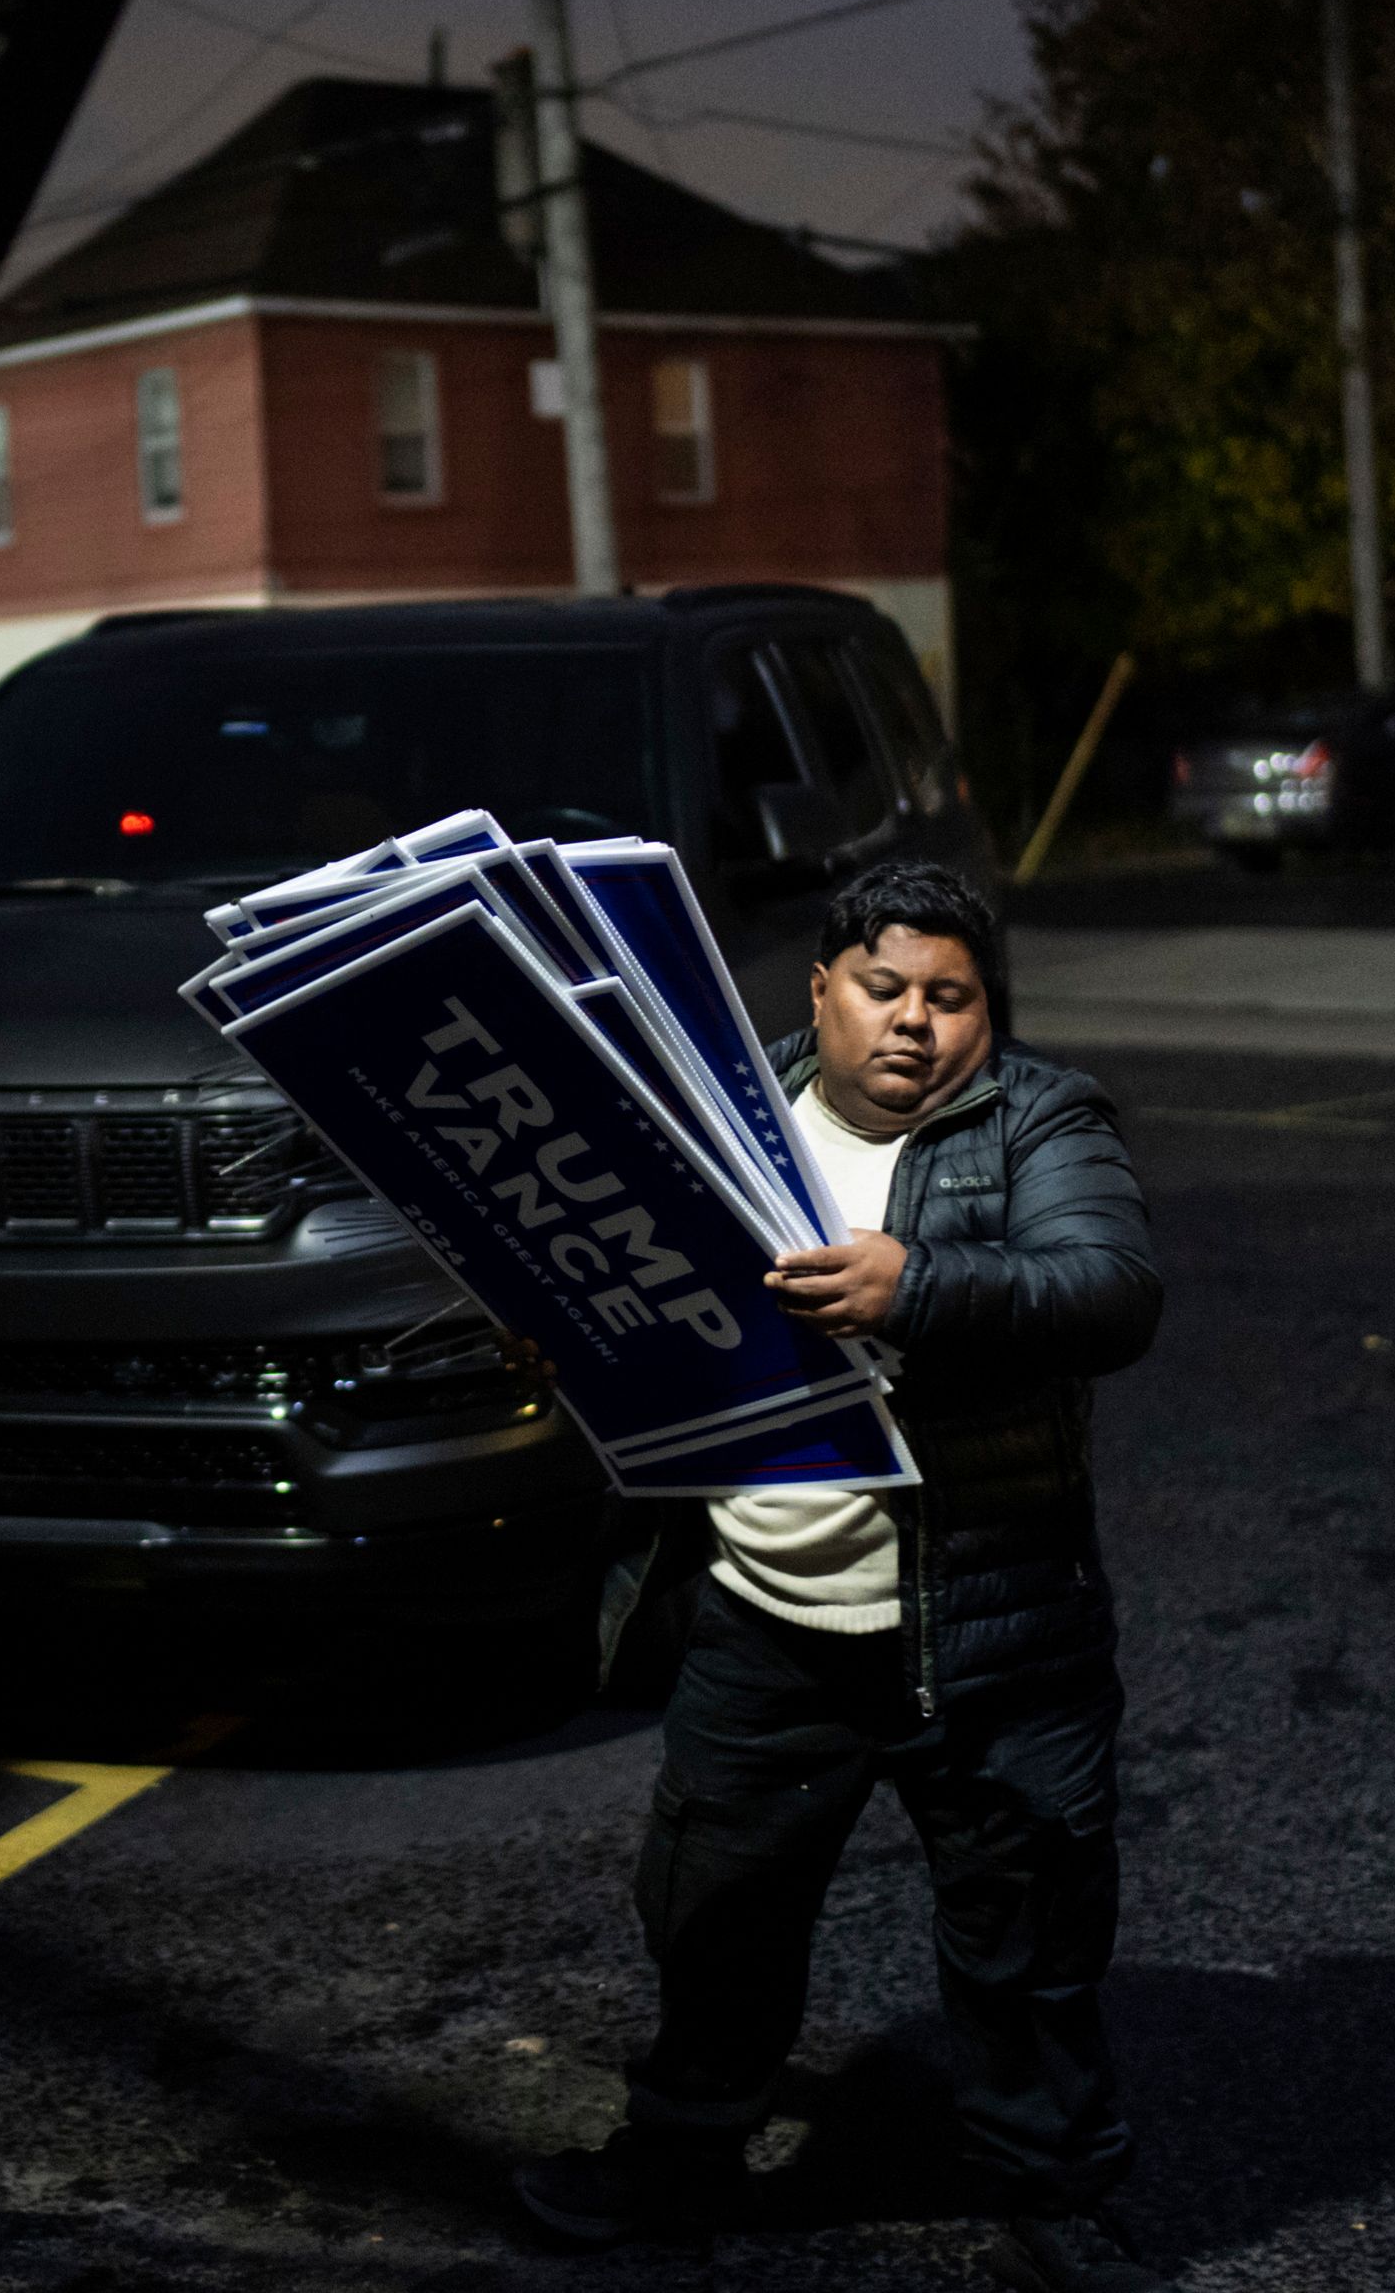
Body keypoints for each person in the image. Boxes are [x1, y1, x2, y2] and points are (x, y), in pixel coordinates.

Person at [515, 859, 1170, 2292]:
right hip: (766, 1625)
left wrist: (912, 1285)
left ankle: (1056, 2188)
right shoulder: (714, 1120)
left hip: (992, 1627)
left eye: (953, 997)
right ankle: (680, 2162)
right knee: (712, 1920)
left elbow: (1112, 1287)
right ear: (819, 990)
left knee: (1027, 1939)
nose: (916, 1025)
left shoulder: (1039, 1120)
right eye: (885, 988)